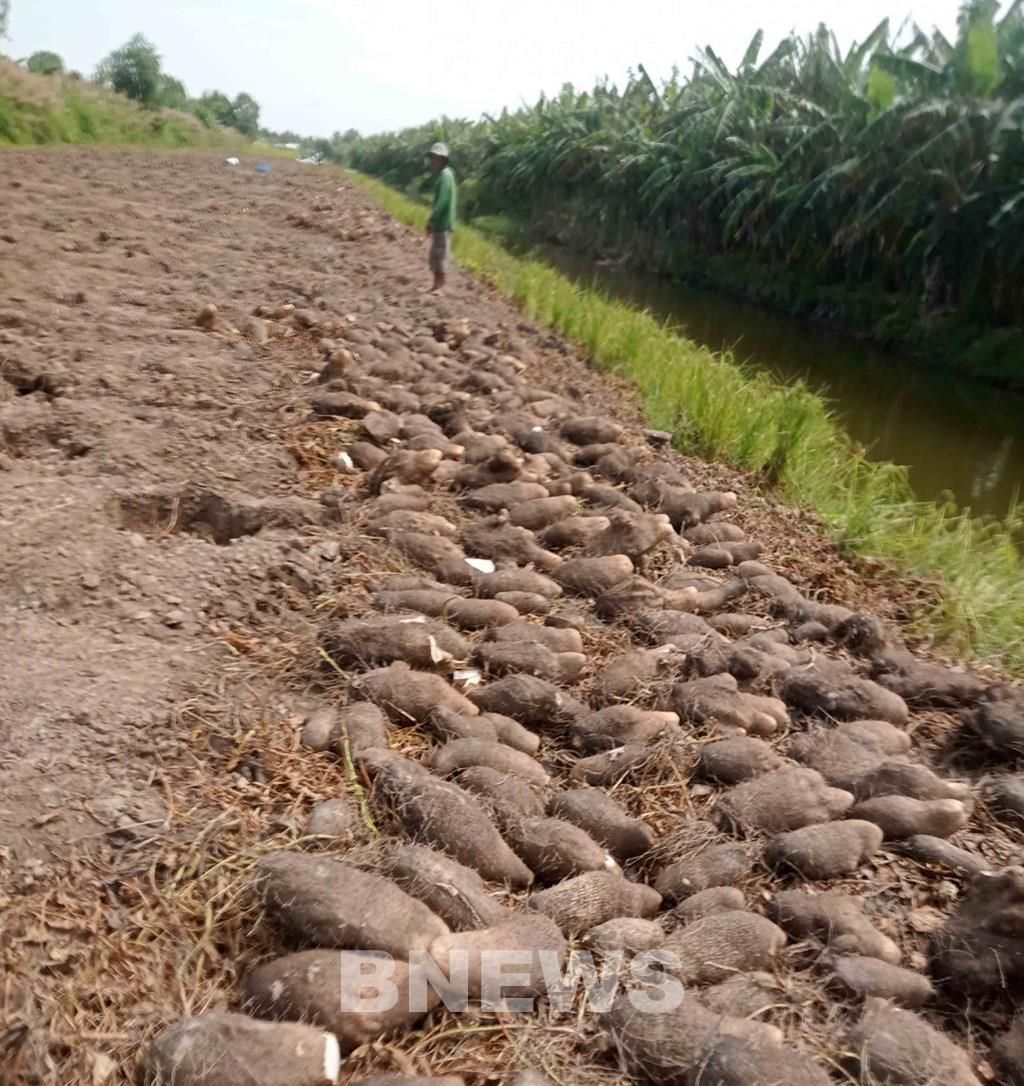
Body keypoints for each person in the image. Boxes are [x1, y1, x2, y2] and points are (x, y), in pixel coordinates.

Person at [426, 142, 457, 294]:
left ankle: (440, 286)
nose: (433, 161)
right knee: (435, 255)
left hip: (443, 223)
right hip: (441, 224)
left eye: (436, 158)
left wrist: (432, 219)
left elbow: (443, 200)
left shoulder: (445, 175)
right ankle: (436, 285)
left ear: (443, 159)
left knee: (440, 255)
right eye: (432, 158)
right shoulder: (445, 175)